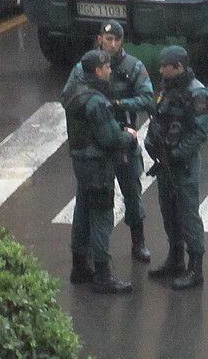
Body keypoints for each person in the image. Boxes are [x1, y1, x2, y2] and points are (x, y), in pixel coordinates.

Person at [62, 20, 154, 263]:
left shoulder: (133, 66)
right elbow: (67, 97)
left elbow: (147, 98)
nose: (112, 44)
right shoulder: (85, 67)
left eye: (117, 40)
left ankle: (138, 241)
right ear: (100, 38)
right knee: (92, 198)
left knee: (132, 192)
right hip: (96, 142)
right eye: (108, 39)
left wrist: (119, 105)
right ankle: (91, 253)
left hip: (121, 139)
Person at [63, 49, 138, 294]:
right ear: (97, 70)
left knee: (82, 213)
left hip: (81, 164)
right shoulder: (96, 101)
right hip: (97, 166)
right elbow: (109, 138)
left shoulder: (74, 92)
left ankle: (79, 266)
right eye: (106, 67)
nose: (110, 70)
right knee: (102, 217)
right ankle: (103, 275)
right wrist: (128, 137)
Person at [146, 45, 208, 291]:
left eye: (166, 67)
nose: (161, 70)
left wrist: (176, 154)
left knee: (187, 214)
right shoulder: (167, 87)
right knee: (168, 210)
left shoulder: (197, 94)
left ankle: (195, 268)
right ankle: (175, 258)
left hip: (183, 165)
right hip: (166, 161)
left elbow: (199, 133)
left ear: (179, 67)